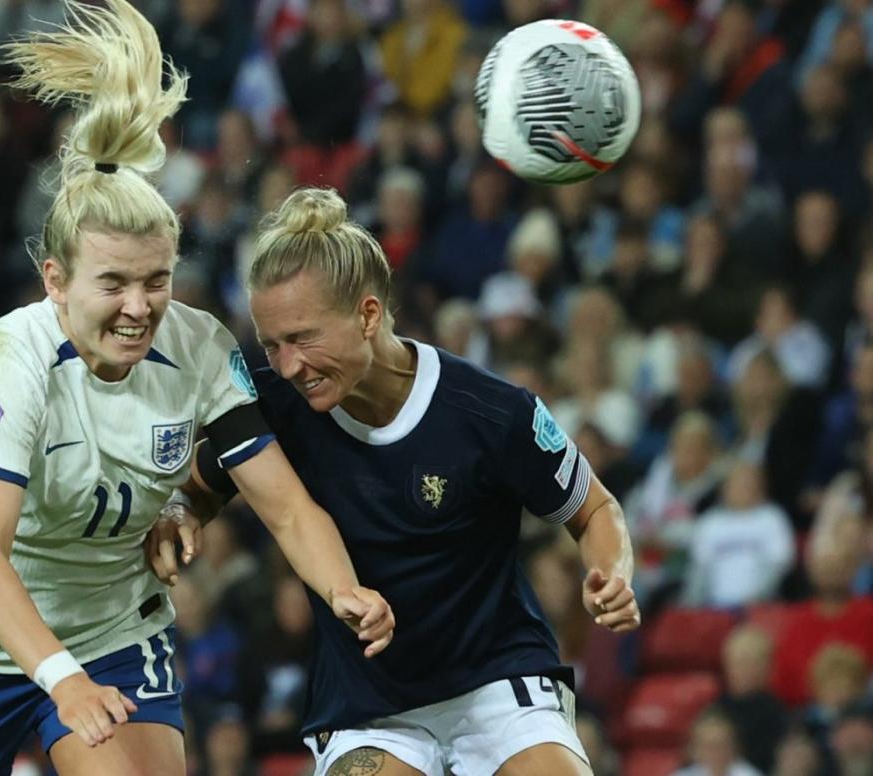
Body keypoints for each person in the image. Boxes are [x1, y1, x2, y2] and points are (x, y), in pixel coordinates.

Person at [0, 4, 395, 776]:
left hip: (112, 629)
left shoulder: (198, 349)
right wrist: (61, 681)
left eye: (157, 280)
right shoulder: (8, 360)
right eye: (113, 283)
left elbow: (284, 505)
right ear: (55, 281)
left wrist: (344, 588)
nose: (140, 306)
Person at [148, 188, 641, 776]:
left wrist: (611, 573)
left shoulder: (490, 413)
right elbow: (201, 484)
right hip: (367, 706)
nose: (287, 366)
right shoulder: (274, 406)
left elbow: (594, 509)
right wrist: (181, 510)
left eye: (304, 338)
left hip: (498, 681)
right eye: (272, 345)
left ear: (368, 314)